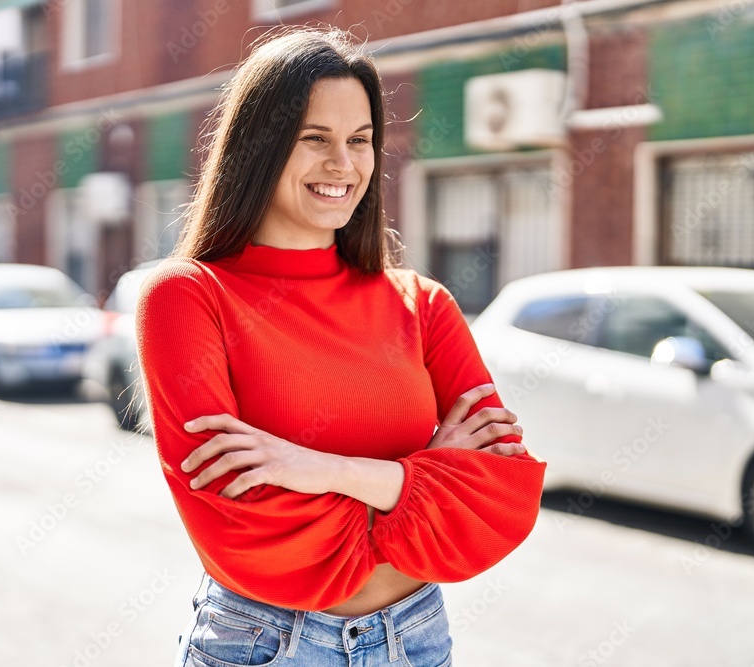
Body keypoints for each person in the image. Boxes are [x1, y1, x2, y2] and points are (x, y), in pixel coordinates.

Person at [135, 27, 547, 667]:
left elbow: (497, 502)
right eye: (314, 140)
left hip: (415, 639)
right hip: (265, 644)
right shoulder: (189, 298)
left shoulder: (423, 304)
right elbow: (241, 528)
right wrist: (421, 482)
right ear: (258, 149)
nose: (344, 164)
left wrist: (317, 469)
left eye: (360, 141)